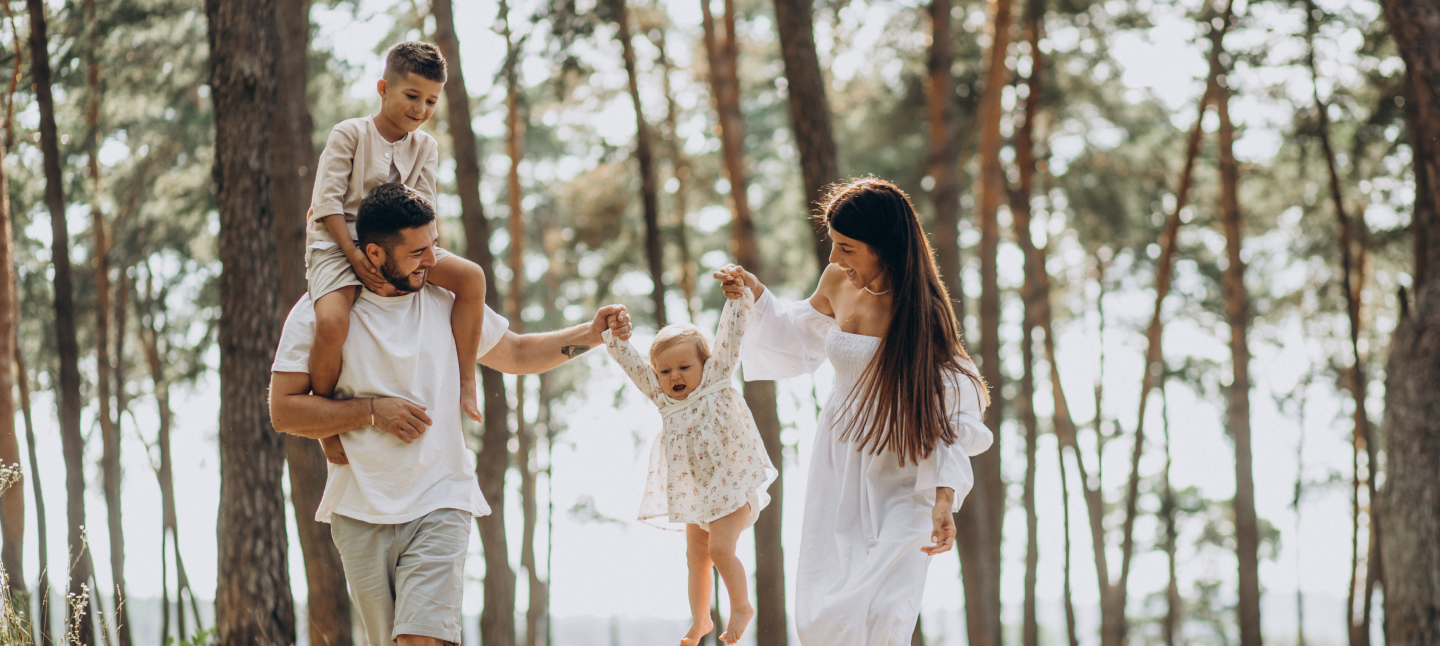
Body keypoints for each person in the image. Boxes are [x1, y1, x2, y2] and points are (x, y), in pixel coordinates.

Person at [269, 183, 632, 646]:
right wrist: (371, 412)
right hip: (360, 507)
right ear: (375, 253)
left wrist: (593, 333)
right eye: (418, 251)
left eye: (434, 245)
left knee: (423, 641)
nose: (431, 259)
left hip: (441, 498)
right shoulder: (320, 313)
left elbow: (518, 354)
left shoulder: (447, 304)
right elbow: (284, 411)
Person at [714, 177, 993, 646]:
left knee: (886, 612)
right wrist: (756, 295)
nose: (834, 260)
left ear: (884, 247)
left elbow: (954, 413)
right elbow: (798, 340)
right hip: (840, 461)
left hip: (905, 470)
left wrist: (944, 497)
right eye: (833, 245)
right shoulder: (836, 282)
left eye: (847, 248)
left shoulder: (922, 313)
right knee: (828, 614)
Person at [303, 41, 488, 436]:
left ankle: (468, 382)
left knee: (471, 277)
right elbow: (326, 204)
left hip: (403, 243)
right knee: (333, 324)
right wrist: (355, 257)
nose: (420, 110)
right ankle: (327, 424)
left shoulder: (426, 146)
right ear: (383, 88)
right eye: (411, 96)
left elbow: (425, 208)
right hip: (338, 243)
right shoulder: (350, 134)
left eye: (431, 102)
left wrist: (419, 257)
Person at [601, 287, 777, 646]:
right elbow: (633, 365)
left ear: (704, 365)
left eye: (684, 367)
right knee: (696, 558)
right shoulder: (664, 400)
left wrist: (736, 297)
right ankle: (701, 621)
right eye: (665, 370)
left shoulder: (715, 380)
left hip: (731, 488)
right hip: (697, 498)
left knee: (719, 550)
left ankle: (741, 606)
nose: (674, 375)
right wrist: (615, 337)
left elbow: (730, 335)